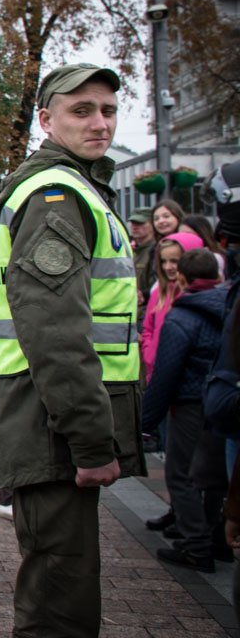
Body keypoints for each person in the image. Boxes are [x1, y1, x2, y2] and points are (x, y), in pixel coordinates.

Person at [0, 63, 145, 637]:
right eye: (82, 110)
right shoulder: (57, 194)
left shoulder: (72, 188)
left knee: (61, 584)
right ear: (46, 120)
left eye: (108, 111)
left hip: (48, 414)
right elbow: (56, 333)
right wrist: (91, 442)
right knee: (60, 602)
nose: (100, 123)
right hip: (51, 421)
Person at [142, 248, 228, 572]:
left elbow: (166, 372)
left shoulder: (182, 316)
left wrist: (147, 419)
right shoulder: (229, 307)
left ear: (182, 277)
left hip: (190, 402)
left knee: (181, 474)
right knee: (214, 474)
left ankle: (196, 545)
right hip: (222, 399)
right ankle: (216, 536)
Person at [141, 233, 205, 381]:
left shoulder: (196, 295)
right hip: (155, 371)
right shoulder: (158, 293)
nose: (168, 267)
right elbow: (148, 329)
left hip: (185, 374)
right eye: (163, 261)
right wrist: (149, 353)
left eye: (174, 261)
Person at [128, 208, 154, 309]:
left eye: (140, 223)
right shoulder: (131, 250)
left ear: (152, 224)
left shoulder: (155, 250)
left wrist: (144, 294)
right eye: (133, 223)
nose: (134, 227)